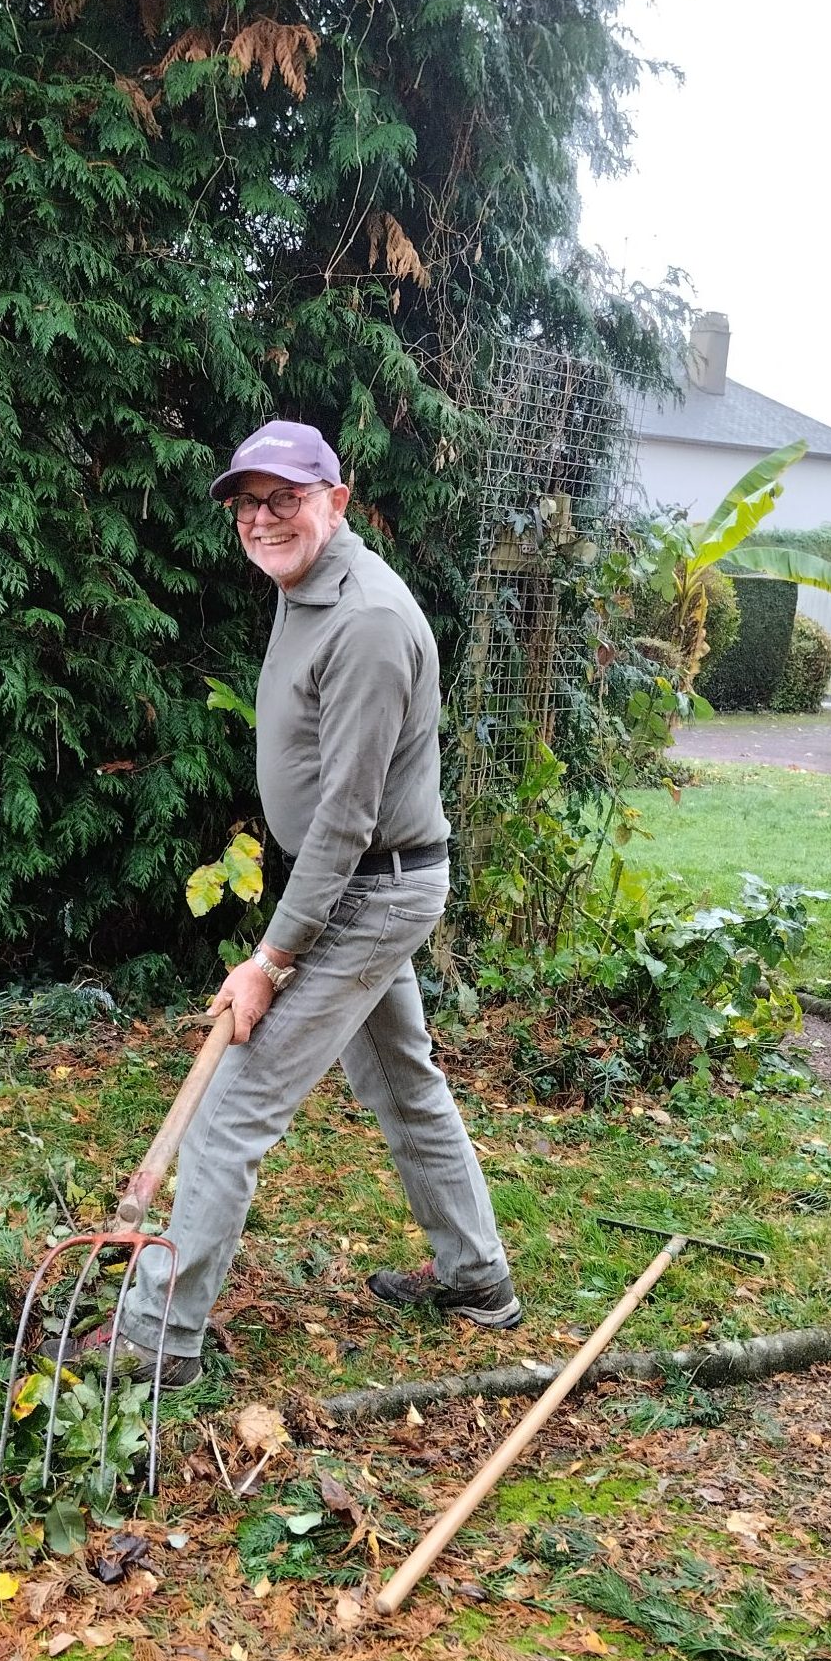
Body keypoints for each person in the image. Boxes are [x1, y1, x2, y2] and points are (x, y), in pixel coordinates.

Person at [53, 419, 519, 1385]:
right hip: (360, 882)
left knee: (234, 1106)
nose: (264, 519)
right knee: (402, 1081)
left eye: (287, 499)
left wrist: (271, 960)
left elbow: (346, 823)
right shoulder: (305, 585)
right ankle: (478, 1280)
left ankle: (157, 1343)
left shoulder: (368, 624)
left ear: (335, 501)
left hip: (370, 890)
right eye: (249, 503)